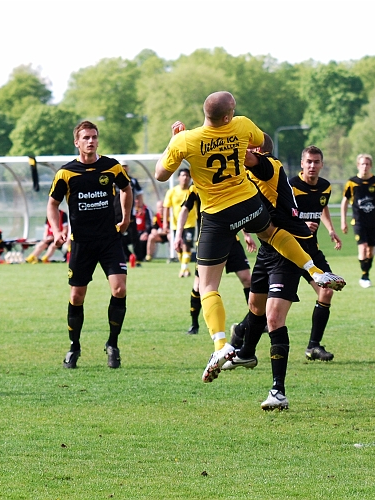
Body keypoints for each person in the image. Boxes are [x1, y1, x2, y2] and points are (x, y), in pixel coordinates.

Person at [154, 90, 345, 384]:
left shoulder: (186, 140)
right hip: (247, 203)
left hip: (216, 214)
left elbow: (160, 174)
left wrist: (174, 140)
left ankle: (220, 345)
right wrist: (236, 142)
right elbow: (262, 142)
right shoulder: (241, 125)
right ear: (227, 116)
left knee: (207, 285)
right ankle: (313, 270)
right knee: (271, 233)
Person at [222, 135, 331, 409]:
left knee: (273, 317)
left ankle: (278, 391)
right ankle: (246, 352)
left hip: (288, 247)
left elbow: (241, 156)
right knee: (255, 307)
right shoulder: (248, 176)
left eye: (248, 145)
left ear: (258, 150)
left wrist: (216, 139)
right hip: (267, 247)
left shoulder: (269, 165)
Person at [47, 120, 133, 369]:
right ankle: (74, 347)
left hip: (109, 240)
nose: (91, 141)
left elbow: (126, 188)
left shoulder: (111, 166)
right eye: (86, 137)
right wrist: (56, 230)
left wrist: (126, 218)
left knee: (119, 290)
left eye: (94, 137)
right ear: (77, 142)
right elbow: (52, 204)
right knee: (76, 296)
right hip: (81, 243)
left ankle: (113, 344)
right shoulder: (66, 173)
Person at [176, 184, 255, 335]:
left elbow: (238, 210)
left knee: (247, 279)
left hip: (231, 240)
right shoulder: (196, 187)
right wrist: (178, 234)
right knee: (199, 286)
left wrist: (246, 234)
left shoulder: (227, 184)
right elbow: (184, 209)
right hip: (208, 243)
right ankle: (194, 324)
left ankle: (255, 321)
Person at [289, 145, 343, 361]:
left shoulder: (325, 187)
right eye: (308, 161)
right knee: (266, 307)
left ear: (322, 164)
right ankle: (240, 335)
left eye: (316, 162)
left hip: (312, 251)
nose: (312, 165)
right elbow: (281, 215)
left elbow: (322, 208)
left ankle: (313, 346)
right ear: (302, 163)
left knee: (326, 291)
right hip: (289, 251)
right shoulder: (291, 186)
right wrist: (301, 224)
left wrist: (331, 230)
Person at [341, 153, 375, 288]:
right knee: (363, 247)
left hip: (373, 222)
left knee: (370, 251)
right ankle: (364, 276)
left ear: (371, 166)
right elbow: (345, 202)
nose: (365, 166)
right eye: (362, 164)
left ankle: (366, 273)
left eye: (367, 164)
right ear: (358, 165)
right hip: (358, 222)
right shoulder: (352, 183)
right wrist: (343, 221)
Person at [163, 168, 196, 277]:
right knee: (179, 248)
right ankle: (185, 267)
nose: (185, 178)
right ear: (178, 178)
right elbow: (166, 207)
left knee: (187, 245)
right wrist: (165, 223)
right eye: (183, 175)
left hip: (190, 223)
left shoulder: (192, 191)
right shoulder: (172, 191)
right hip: (175, 225)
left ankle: (183, 268)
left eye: (187, 176)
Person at [118, 161, 145, 268]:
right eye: (122, 166)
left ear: (128, 168)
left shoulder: (132, 181)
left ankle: (138, 258)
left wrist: (140, 207)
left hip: (130, 213)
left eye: (125, 166)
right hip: (115, 213)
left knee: (134, 236)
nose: (124, 168)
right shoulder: (113, 179)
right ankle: (125, 256)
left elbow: (140, 194)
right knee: (117, 237)